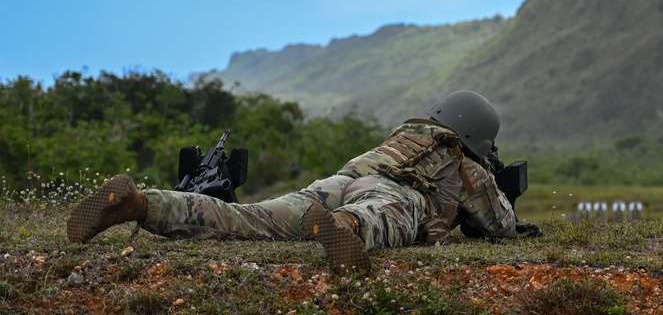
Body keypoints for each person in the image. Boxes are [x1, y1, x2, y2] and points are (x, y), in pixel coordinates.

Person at [67, 90, 537, 272]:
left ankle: (140, 204)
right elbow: (499, 226)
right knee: (380, 217)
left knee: (249, 218)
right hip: (391, 194)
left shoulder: (404, 136)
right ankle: (345, 229)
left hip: (338, 181)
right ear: (477, 137)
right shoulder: (462, 162)